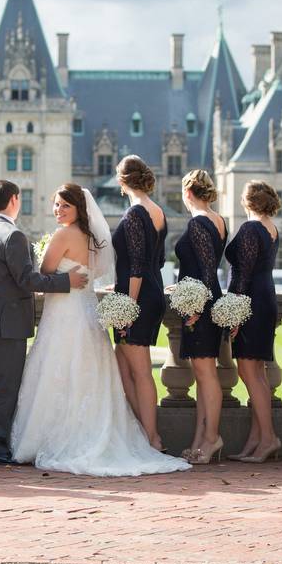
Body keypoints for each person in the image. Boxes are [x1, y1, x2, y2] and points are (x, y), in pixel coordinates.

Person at [9, 183, 190, 477]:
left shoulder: (64, 234)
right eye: (56, 204)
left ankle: (54, 436)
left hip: (65, 312)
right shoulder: (90, 236)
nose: (58, 210)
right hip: (87, 309)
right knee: (88, 373)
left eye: (65, 205)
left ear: (79, 208)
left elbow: (45, 272)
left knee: (59, 369)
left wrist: (46, 255)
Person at [0, 180, 86, 465]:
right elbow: (27, 281)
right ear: (14, 199)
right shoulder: (13, 235)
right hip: (7, 320)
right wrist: (67, 280)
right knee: (3, 387)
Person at [111, 156, 168, 451]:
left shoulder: (134, 213)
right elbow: (157, 261)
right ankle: (140, 431)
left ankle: (151, 438)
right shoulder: (158, 210)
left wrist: (128, 307)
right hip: (151, 290)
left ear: (122, 182)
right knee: (121, 364)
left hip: (137, 298)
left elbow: (136, 265)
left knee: (140, 370)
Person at [225, 181, 282, 463]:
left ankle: (268, 438)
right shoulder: (272, 228)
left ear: (247, 201)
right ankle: (256, 439)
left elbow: (243, 275)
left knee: (250, 373)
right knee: (257, 373)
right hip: (265, 298)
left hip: (250, 303)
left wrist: (234, 312)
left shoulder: (250, 228)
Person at [174, 169, 227, 465]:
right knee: (202, 375)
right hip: (205, 297)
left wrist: (194, 308)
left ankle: (212, 438)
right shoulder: (220, 221)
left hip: (201, 304)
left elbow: (207, 269)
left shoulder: (197, 222)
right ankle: (199, 439)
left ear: (188, 193)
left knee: (206, 375)